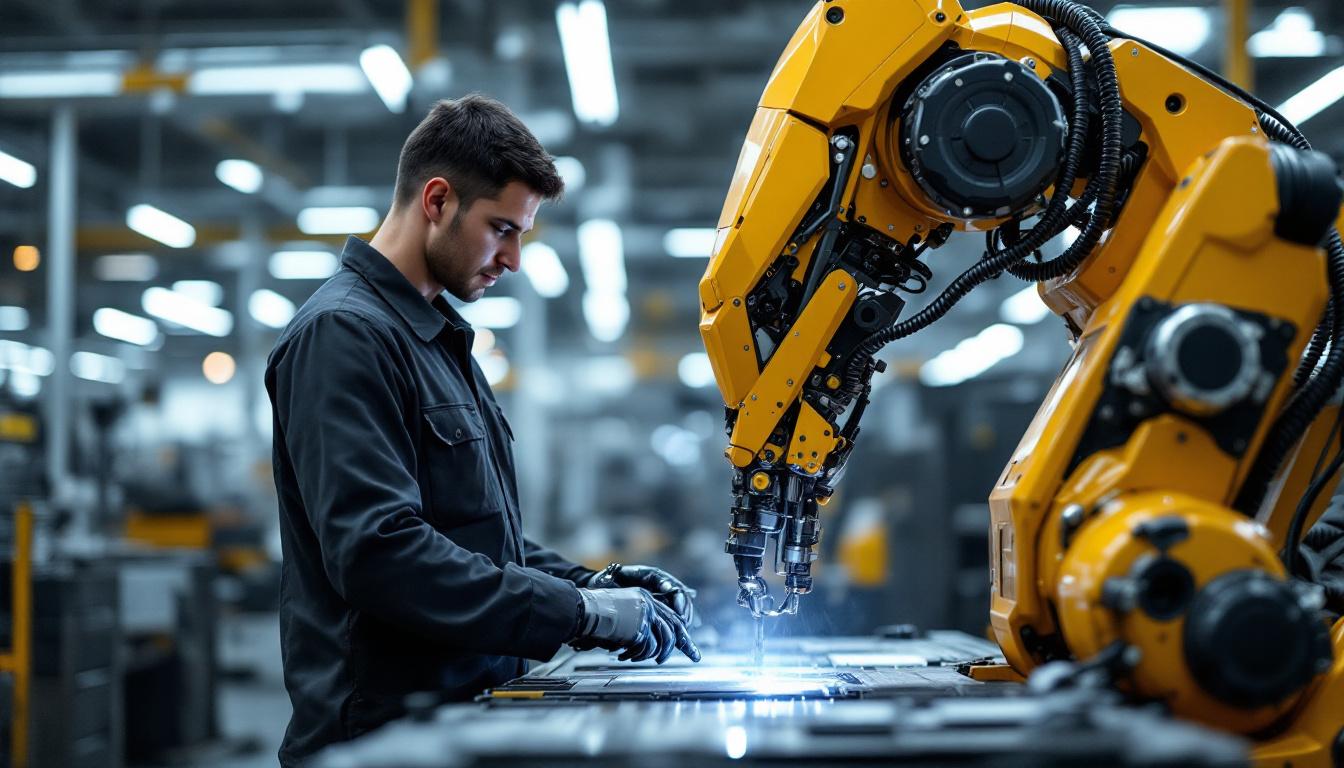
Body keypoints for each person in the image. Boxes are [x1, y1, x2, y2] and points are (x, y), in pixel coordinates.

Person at [265, 94, 701, 766]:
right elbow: (381, 554)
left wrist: (597, 586)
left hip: (463, 721)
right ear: (437, 201)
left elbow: (473, 538)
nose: (514, 259)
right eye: (502, 228)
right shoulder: (343, 336)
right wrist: (578, 614)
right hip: (383, 740)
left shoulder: (438, 341)